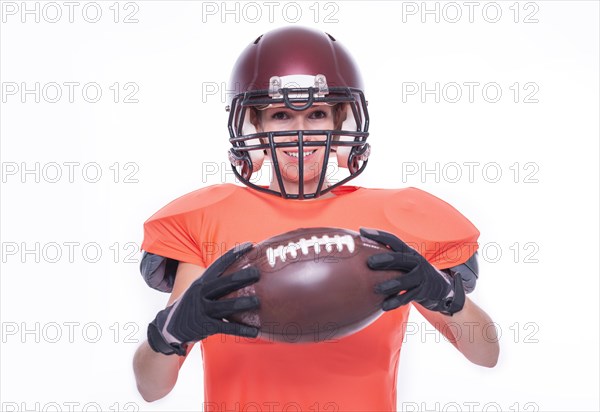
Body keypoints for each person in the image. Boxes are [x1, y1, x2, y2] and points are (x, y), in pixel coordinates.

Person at [133, 26, 499, 411]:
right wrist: (172, 330)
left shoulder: (394, 220)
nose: (301, 132)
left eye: (318, 113)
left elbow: (486, 354)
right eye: (280, 115)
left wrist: (444, 294)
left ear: (342, 122)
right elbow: (150, 387)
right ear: (253, 125)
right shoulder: (210, 220)